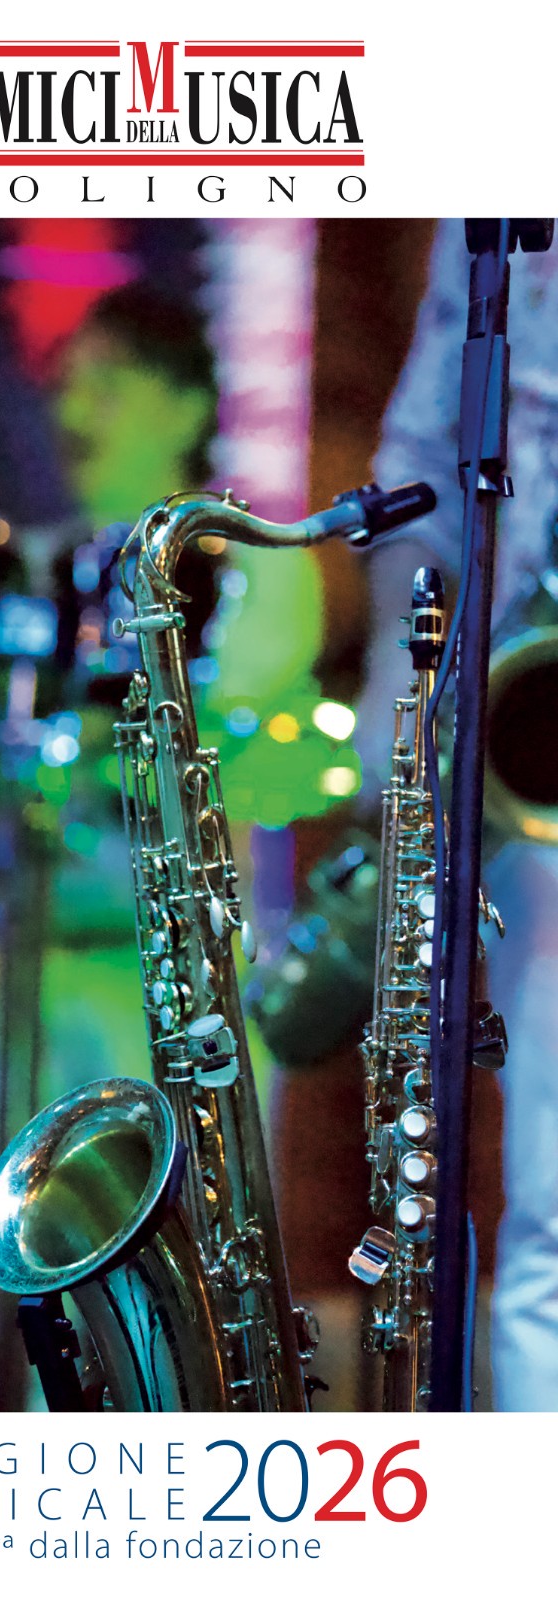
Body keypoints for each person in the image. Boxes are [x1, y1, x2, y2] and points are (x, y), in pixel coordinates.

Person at [356, 218, 558, 1410]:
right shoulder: (491, 213)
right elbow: (420, 467)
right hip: (535, 747)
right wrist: (406, 691)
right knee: (548, 1227)